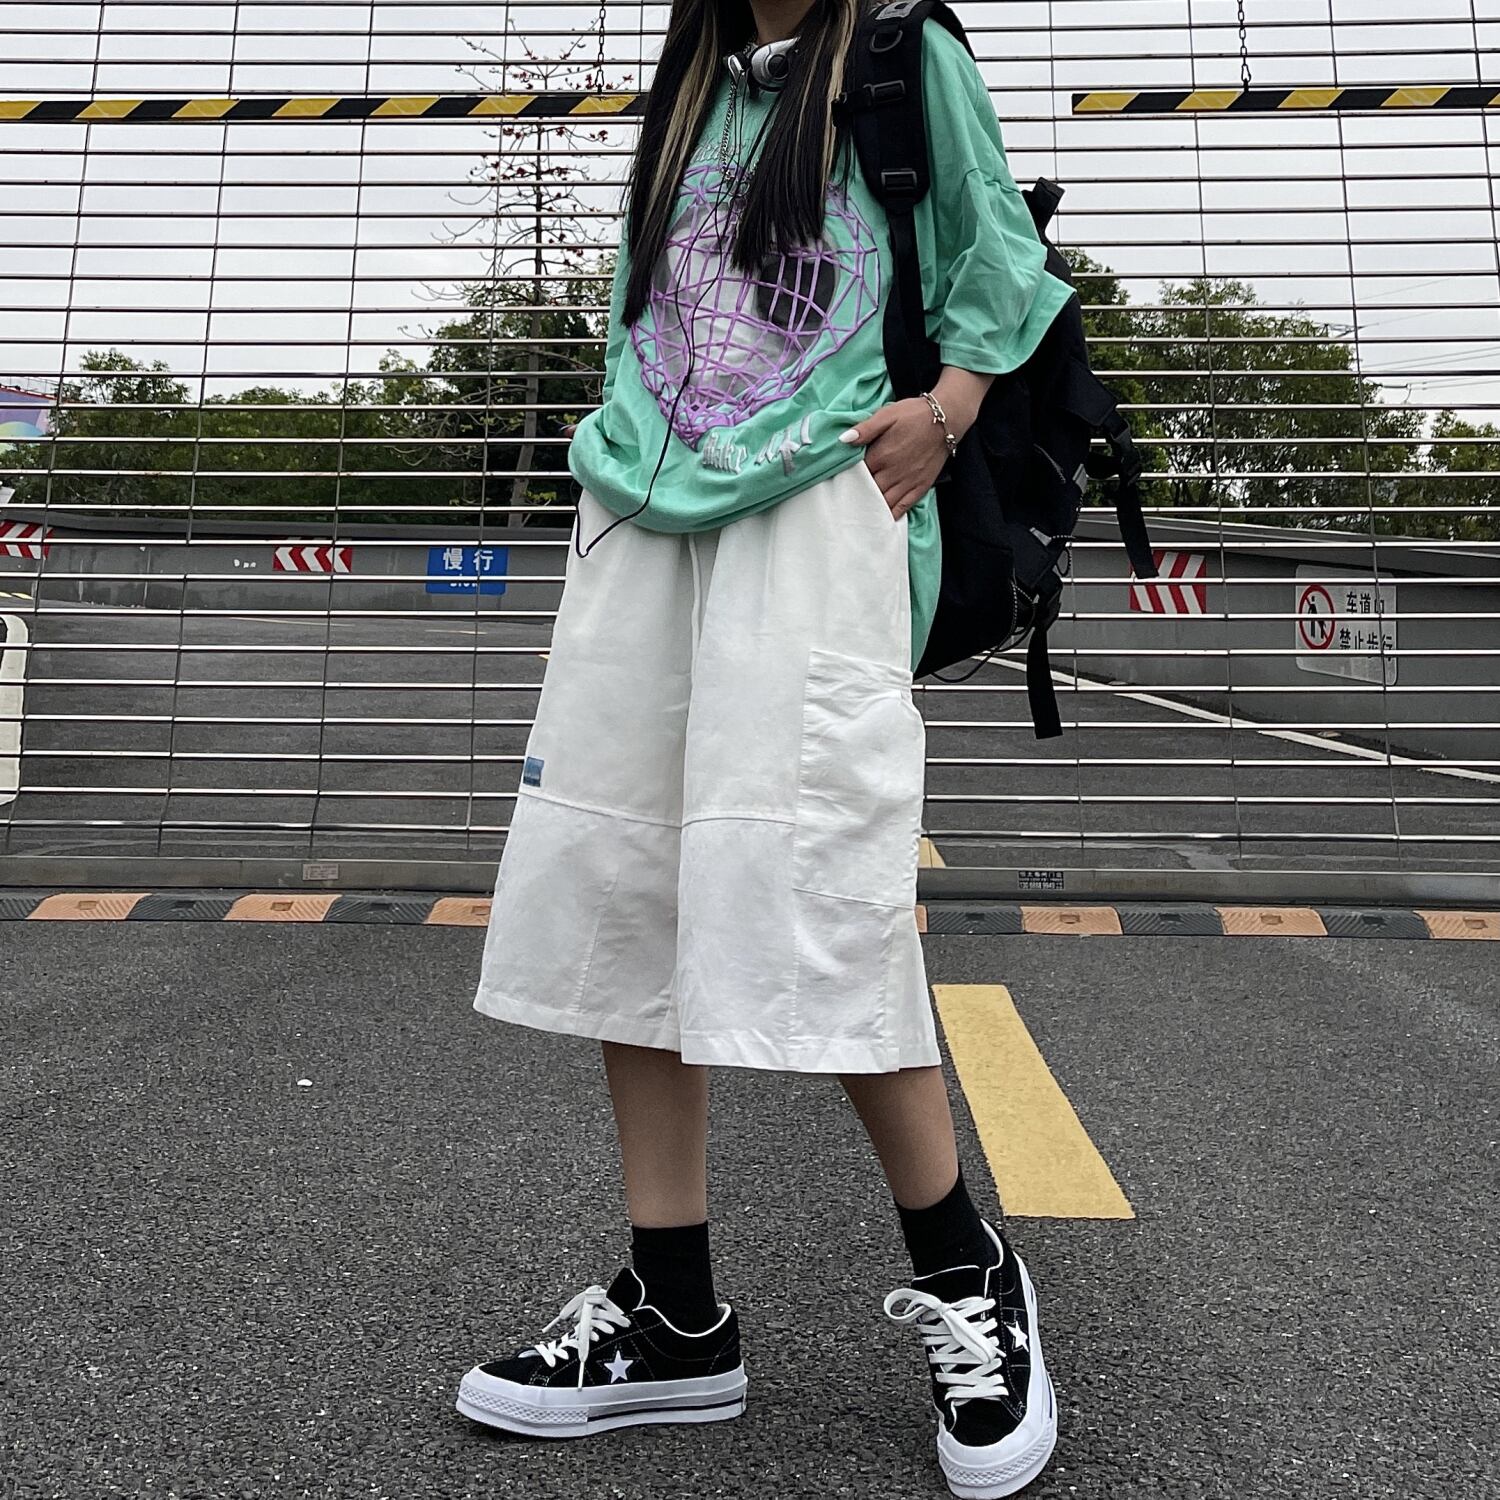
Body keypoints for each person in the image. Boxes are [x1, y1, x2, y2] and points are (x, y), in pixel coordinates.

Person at [457, 2, 1072, 1494]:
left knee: (823, 894)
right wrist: (616, 428)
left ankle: (969, 1273)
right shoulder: (692, 84)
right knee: (626, 886)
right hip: (641, 514)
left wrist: (948, 409)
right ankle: (674, 1314)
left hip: (816, 509)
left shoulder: (899, 52)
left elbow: (1002, 254)